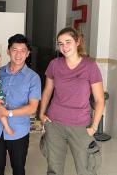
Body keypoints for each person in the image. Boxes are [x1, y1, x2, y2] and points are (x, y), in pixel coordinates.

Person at [39, 27, 105, 175]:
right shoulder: (54, 65)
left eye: (68, 42)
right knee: (54, 169)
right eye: (60, 43)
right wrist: (42, 114)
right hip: (54, 123)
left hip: (81, 126)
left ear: (78, 41)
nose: (64, 47)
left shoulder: (90, 66)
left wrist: (94, 126)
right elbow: (47, 91)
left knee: (86, 169)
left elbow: (100, 100)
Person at [0, 34, 41, 175]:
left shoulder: (33, 78)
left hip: (18, 132)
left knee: (18, 169)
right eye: (15, 49)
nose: (18, 54)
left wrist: (8, 113)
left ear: (28, 53)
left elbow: (33, 108)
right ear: (8, 51)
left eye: (23, 50)